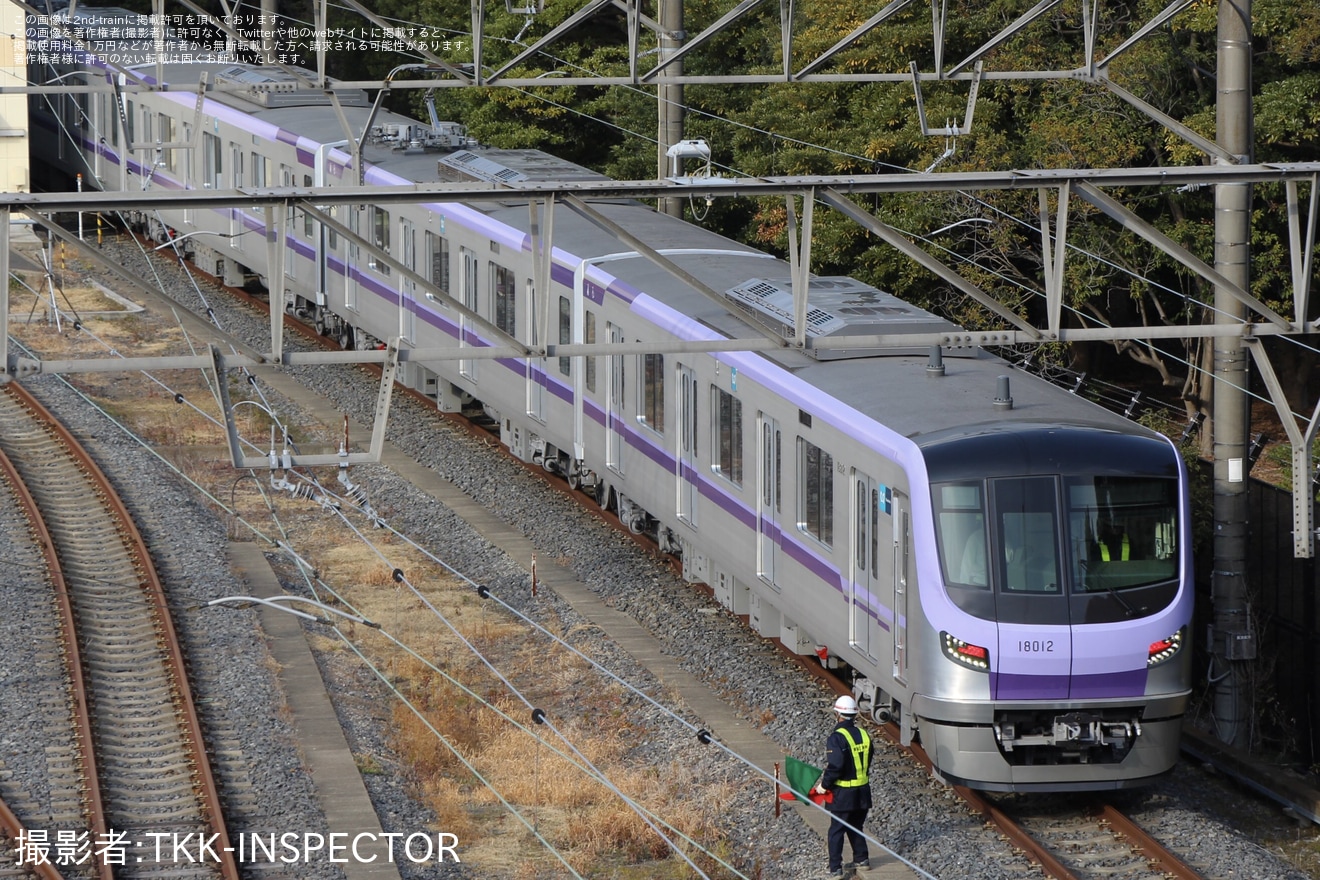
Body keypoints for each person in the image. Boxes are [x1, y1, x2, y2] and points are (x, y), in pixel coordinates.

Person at [811, 694, 873, 877]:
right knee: (855, 825)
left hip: (844, 792)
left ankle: (835, 869)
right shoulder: (863, 734)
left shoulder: (837, 738)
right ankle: (862, 859)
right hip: (863, 791)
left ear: (838, 715)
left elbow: (836, 766)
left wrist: (824, 785)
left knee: (836, 830)